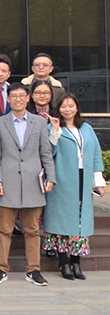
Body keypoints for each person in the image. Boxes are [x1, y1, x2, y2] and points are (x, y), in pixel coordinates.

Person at [0, 83, 56, 286]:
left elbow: (45, 152)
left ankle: (33, 270)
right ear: (8, 99)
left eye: (21, 96)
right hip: (7, 182)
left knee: (32, 229)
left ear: (28, 98)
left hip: (33, 182)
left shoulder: (39, 122)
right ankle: (1, 269)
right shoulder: (0, 123)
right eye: (14, 96)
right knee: (4, 229)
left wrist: (51, 177)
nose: (18, 99)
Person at [44, 94, 105, 281]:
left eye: (71, 106)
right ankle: (64, 262)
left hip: (83, 178)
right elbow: (48, 152)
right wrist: (55, 131)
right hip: (62, 180)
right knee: (62, 221)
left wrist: (98, 181)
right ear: (58, 109)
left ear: (77, 108)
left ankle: (76, 262)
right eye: (64, 106)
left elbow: (96, 154)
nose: (67, 109)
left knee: (80, 220)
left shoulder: (86, 128)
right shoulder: (53, 128)